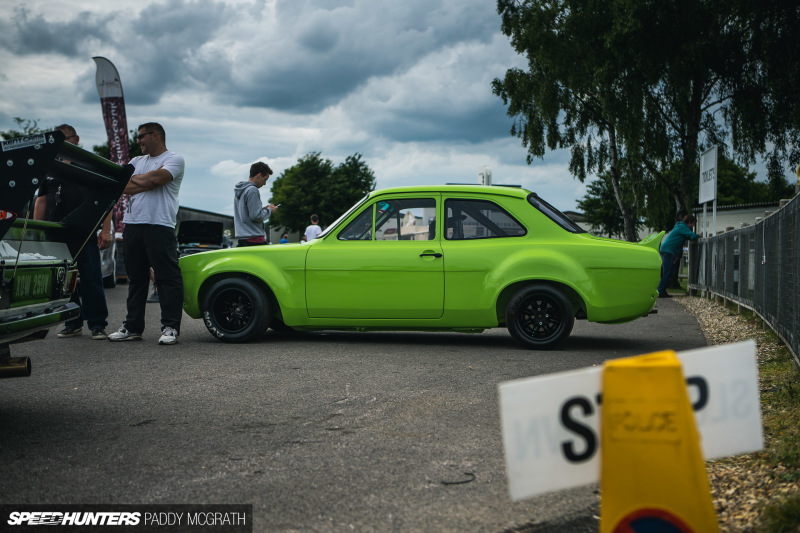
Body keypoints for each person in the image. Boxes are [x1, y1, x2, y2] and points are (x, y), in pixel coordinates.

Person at [108, 123, 185, 345]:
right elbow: (120, 185)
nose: (138, 141)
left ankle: (170, 327)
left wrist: (140, 181)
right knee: (136, 278)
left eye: (141, 136)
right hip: (132, 224)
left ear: (155, 135)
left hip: (159, 224)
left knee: (167, 277)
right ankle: (132, 327)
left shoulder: (174, 159)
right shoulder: (135, 162)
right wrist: (145, 182)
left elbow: (154, 180)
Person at [34, 124, 112, 340]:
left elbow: (106, 199)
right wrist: (36, 230)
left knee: (91, 278)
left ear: (75, 140)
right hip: (55, 232)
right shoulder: (49, 166)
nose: (57, 144)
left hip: (83, 231)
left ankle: (97, 324)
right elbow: (41, 200)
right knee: (62, 281)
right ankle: (73, 322)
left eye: (63, 139)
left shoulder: (88, 165)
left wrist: (105, 230)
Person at [233, 162, 277, 246]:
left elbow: (247, 213)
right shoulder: (252, 190)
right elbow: (256, 216)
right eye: (265, 180)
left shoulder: (241, 190)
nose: (265, 184)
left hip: (243, 239)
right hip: (254, 239)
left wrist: (264, 209)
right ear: (259, 175)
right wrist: (270, 211)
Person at [657, 214, 701, 298]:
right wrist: (700, 235)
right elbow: (692, 235)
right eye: (693, 224)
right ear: (689, 222)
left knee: (671, 272)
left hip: (667, 250)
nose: (693, 227)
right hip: (668, 251)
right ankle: (660, 291)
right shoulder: (683, 227)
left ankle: (662, 290)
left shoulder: (680, 227)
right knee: (667, 272)